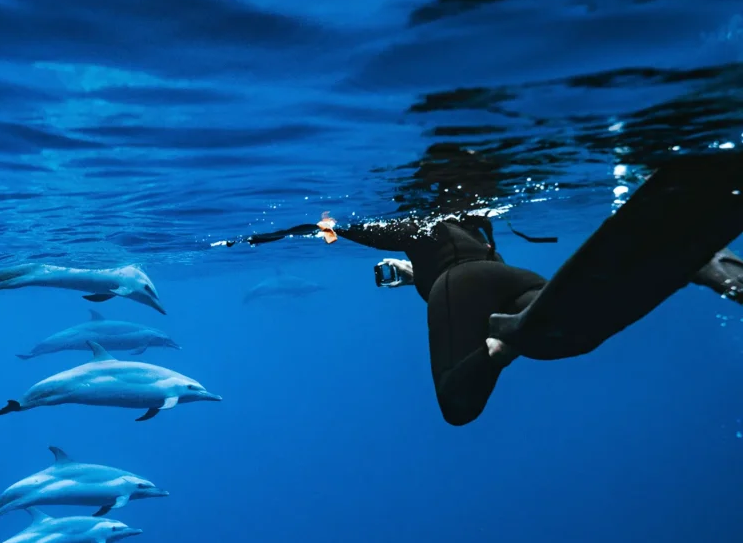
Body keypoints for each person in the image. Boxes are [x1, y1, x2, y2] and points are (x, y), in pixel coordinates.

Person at [217, 152, 743, 426]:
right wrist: (409, 273)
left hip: (464, 287)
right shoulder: (479, 219)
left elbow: (328, 226)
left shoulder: (413, 226)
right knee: (561, 323)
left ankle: (502, 343)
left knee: (457, 405)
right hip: (511, 279)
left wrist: (254, 238)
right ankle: (689, 265)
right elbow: (454, 256)